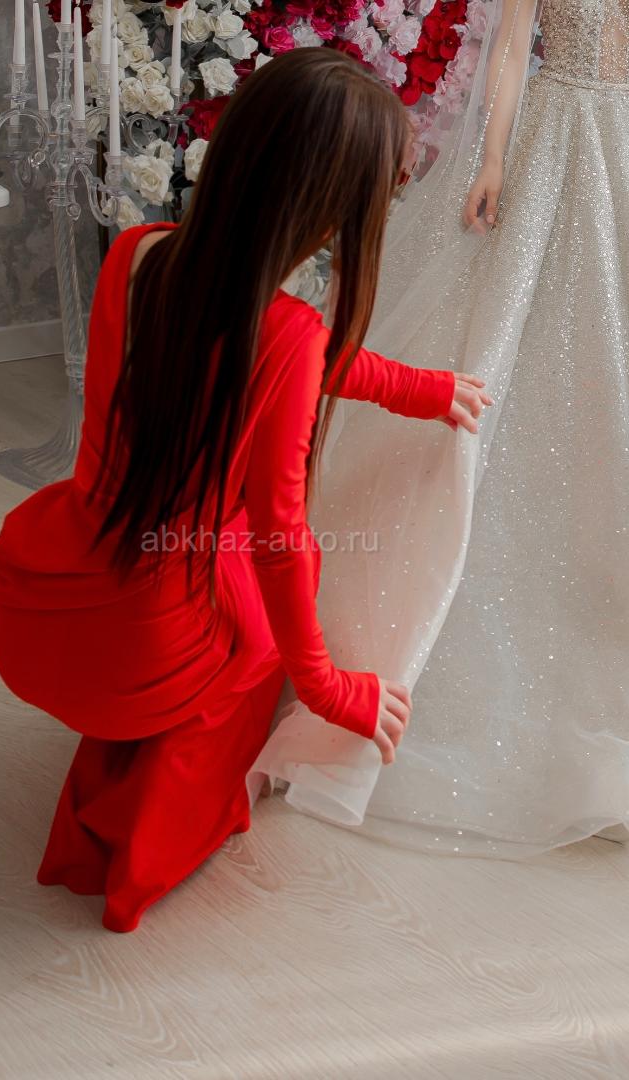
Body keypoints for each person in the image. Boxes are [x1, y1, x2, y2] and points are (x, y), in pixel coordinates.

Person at [0, 49, 487, 932]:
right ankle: (143, 850)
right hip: (147, 636)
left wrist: (418, 388)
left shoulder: (138, 255)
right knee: (258, 639)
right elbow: (281, 536)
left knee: (218, 600)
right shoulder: (285, 334)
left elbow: (262, 354)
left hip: (41, 596)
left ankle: (109, 804)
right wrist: (328, 689)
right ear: (332, 208)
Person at [254, 0, 629, 856]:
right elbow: (510, 50)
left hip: (620, 144)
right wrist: (493, 156)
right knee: (509, 333)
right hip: (554, 134)